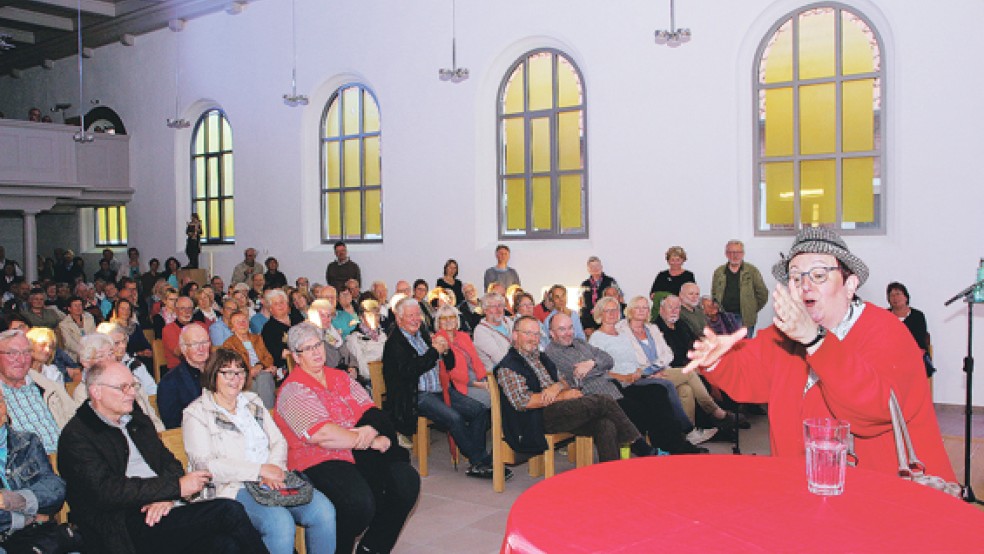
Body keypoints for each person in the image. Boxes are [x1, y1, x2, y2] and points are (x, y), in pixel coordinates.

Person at [687, 227, 955, 479]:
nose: (805, 285)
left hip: (883, 500)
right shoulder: (785, 336)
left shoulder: (886, 332)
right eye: (795, 276)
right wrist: (716, 360)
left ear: (850, 284)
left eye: (818, 275)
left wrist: (816, 342)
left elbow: (875, 412)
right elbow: (747, 376)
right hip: (801, 489)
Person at [57, 360, 268, 554]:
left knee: (225, 545)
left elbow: (171, 464)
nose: (131, 393)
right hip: (121, 525)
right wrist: (173, 489)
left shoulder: (136, 420)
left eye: (133, 386)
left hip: (163, 509)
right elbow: (107, 491)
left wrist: (167, 496)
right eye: (123, 387)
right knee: (228, 511)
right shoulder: (77, 435)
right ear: (96, 392)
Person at [275, 322, 419, 554]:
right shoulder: (292, 390)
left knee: (405, 481)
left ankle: (372, 548)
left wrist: (370, 428)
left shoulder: (339, 377)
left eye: (318, 345)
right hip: (317, 460)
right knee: (357, 504)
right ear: (295, 356)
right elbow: (322, 434)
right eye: (307, 348)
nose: (316, 352)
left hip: (355, 453)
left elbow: (370, 410)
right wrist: (369, 439)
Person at [183, 348, 337, 554]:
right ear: (213, 374)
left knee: (324, 511)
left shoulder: (252, 402)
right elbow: (207, 466)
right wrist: (260, 470)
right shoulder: (197, 413)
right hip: (232, 487)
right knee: (280, 523)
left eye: (240, 372)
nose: (234, 378)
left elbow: (278, 441)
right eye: (227, 372)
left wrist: (273, 469)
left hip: (272, 477)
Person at [494, 315, 652, 462]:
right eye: (528, 333)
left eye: (536, 334)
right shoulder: (509, 366)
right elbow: (523, 401)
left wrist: (557, 387)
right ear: (515, 335)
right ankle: (638, 443)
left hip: (558, 410)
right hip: (534, 419)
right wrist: (562, 396)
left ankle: (610, 474)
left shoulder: (541, 357)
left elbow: (565, 381)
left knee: (605, 424)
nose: (533, 339)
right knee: (603, 401)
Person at [546, 311, 700, 455]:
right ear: (552, 333)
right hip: (597, 395)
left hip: (615, 385)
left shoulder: (580, 342)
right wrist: (596, 365)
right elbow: (578, 374)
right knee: (640, 409)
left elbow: (608, 359)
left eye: (570, 328)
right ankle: (656, 448)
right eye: (562, 329)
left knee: (657, 391)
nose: (568, 333)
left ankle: (673, 444)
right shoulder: (552, 352)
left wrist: (592, 363)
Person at [382, 298, 498, 478]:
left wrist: (445, 351)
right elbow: (410, 371)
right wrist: (434, 352)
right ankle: (479, 460)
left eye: (418, 315)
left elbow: (449, 365)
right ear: (399, 319)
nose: (416, 319)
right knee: (455, 418)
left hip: (440, 389)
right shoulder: (394, 344)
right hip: (416, 395)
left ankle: (478, 459)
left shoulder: (422, 334)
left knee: (479, 410)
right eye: (410, 316)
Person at [652, 295, 738, 431]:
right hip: (676, 367)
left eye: (677, 308)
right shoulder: (656, 328)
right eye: (670, 307)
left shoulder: (681, 324)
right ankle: (713, 417)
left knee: (716, 369)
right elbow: (669, 358)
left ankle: (720, 418)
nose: (674, 311)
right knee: (696, 381)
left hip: (691, 364)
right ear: (661, 310)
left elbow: (694, 342)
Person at [0, 388, 71, 551]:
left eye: (0, 401)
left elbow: (55, 489)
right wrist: (28, 518)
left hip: (38, 536)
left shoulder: (26, 442)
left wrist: (15, 500)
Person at [0, 330, 78, 452]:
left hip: (67, 458)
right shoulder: (2, 396)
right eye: (12, 353)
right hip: (24, 466)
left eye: (26, 352)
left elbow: (76, 422)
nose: (21, 360)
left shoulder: (49, 387)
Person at [75, 330, 165, 431]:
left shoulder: (131, 380)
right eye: (100, 356)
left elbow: (151, 417)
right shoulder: (82, 393)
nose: (108, 360)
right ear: (86, 363)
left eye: (111, 353)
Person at [433, 305, 490, 408]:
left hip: (476, 380)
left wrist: (483, 380)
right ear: (438, 322)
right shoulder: (439, 341)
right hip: (457, 387)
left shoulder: (463, 336)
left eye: (452, 317)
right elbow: (451, 373)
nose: (448, 321)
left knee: (500, 393)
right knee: (490, 397)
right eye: (444, 318)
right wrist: (476, 384)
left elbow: (476, 361)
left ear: (457, 319)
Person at [157, 323, 211, 429]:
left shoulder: (220, 372)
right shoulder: (169, 382)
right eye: (195, 344)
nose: (201, 348)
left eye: (204, 342)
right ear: (183, 348)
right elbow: (173, 425)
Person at [711, 239, 769, 335]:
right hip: (723, 317)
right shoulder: (719, 272)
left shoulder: (752, 271)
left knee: (744, 348)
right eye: (731, 252)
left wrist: (751, 309)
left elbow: (763, 294)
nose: (735, 255)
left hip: (744, 319)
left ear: (743, 254)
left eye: (738, 252)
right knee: (726, 349)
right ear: (726, 254)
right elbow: (714, 294)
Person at [222, 310, 277, 408]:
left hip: (262, 371)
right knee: (260, 381)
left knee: (264, 377)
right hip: (243, 376)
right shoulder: (229, 344)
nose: (242, 323)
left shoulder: (257, 338)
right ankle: (268, 414)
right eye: (238, 322)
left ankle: (264, 415)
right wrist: (250, 371)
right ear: (232, 328)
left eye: (244, 320)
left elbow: (268, 357)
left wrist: (260, 366)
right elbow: (233, 366)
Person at [887, 281, 934, 377]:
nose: (895, 298)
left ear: (906, 297)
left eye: (898, 294)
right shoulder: (885, 315)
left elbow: (918, 338)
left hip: (913, 355)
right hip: (890, 356)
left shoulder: (918, 316)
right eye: (892, 295)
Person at [260, 289, 304, 371]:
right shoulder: (268, 329)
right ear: (270, 309)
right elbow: (280, 353)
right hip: (287, 366)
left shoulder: (297, 317)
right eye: (276, 304)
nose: (280, 306)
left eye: (282, 302)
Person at [346, 299, 387, 384]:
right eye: (371, 315)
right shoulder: (354, 338)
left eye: (377, 315)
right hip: (369, 381)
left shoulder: (383, 335)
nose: (375, 318)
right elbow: (362, 369)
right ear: (361, 317)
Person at [473, 292, 514, 371]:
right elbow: (500, 359)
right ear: (485, 310)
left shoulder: (508, 321)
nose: (498, 309)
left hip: (517, 364)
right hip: (498, 371)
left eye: (500, 305)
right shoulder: (480, 331)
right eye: (493, 306)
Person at [579, 256, 619, 335]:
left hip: (606, 320)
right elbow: (582, 306)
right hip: (589, 323)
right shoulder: (584, 284)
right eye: (592, 266)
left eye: (597, 266)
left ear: (601, 267)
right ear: (588, 269)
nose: (595, 268)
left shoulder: (610, 281)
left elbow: (618, 300)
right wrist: (586, 326)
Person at [162, 296, 195, 370]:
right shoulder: (168, 329)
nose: (187, 311)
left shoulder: (201, 326)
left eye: (189, 308)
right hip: (178, 370)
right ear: (176, 311)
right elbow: (179, 353)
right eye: (182, 308)